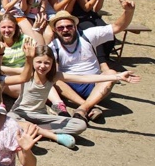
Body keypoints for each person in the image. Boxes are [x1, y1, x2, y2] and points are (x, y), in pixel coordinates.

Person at [9, 46, 139, 148]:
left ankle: (31, 130)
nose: (42, 66)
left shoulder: (54, 76)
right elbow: (1, 69)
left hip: (41, 116)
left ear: (52, 63)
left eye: (47, 63)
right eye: (38, 62)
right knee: (8, 119)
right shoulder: (26, 73)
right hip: (20, 113)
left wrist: (117, 76)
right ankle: (51, 135)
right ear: (32, 61)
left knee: (80, 125)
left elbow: (84, 78)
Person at [49, 1, 135, 123]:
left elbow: (117, 27)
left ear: (75, 27)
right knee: (52, 77)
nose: (65, 30)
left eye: (69, 26)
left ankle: (82, 109)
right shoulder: (53, 46)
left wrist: (128, 11)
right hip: (69, 86)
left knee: (110, 73)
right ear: (55, 30)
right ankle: (88, 106)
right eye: (61, 28)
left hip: (94, 83)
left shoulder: (88, 35)